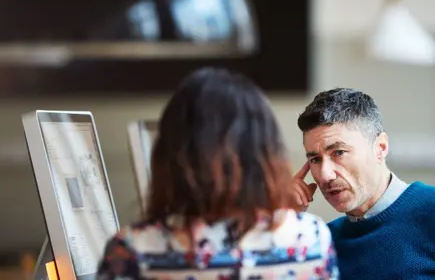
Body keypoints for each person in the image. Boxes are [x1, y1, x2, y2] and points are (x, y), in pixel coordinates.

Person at [96, 68, 339, 280]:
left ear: (170, 153)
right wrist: (285, 216)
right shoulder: (311, 239)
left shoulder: (132, 251)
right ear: (266, 151)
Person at [292, 87, 435, 279]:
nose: (324, 175)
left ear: (380, 148)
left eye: (339, 153)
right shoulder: (324, 241)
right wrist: (281, 224)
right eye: (315, 159)